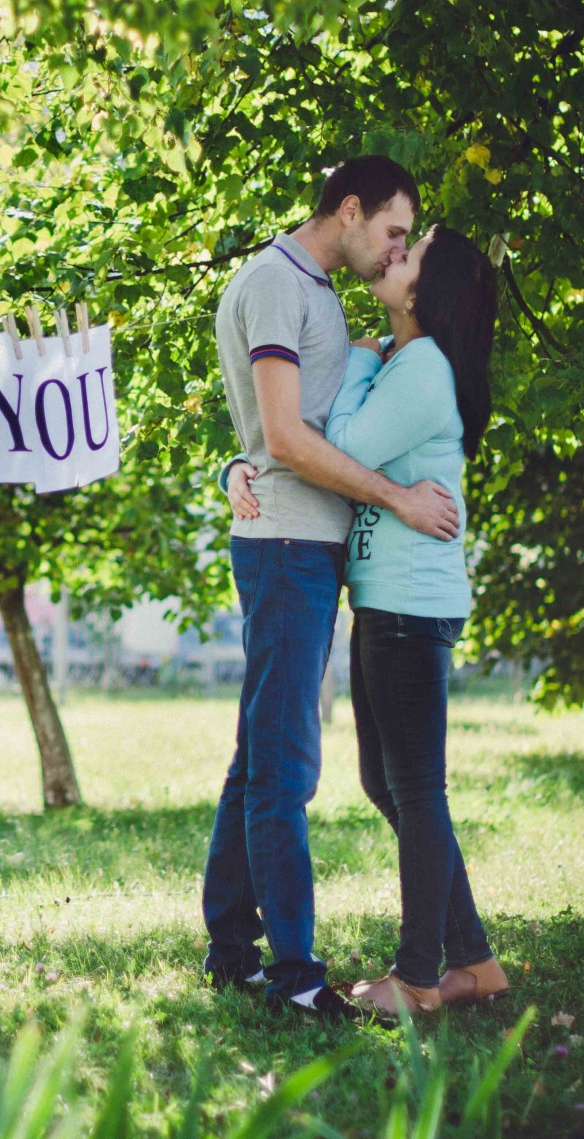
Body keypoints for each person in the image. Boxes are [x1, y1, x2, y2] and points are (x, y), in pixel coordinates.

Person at [227, 225, 510, 1016]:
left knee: (414, 790)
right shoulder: (409, 363)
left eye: (409, 254)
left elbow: (341, 441)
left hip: (407, 608)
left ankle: (421, 978)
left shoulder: (418, 368)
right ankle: (475, 963)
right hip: (392, 601)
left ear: (426, 293)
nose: (393, 258)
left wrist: (355, 356)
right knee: (389, 784)